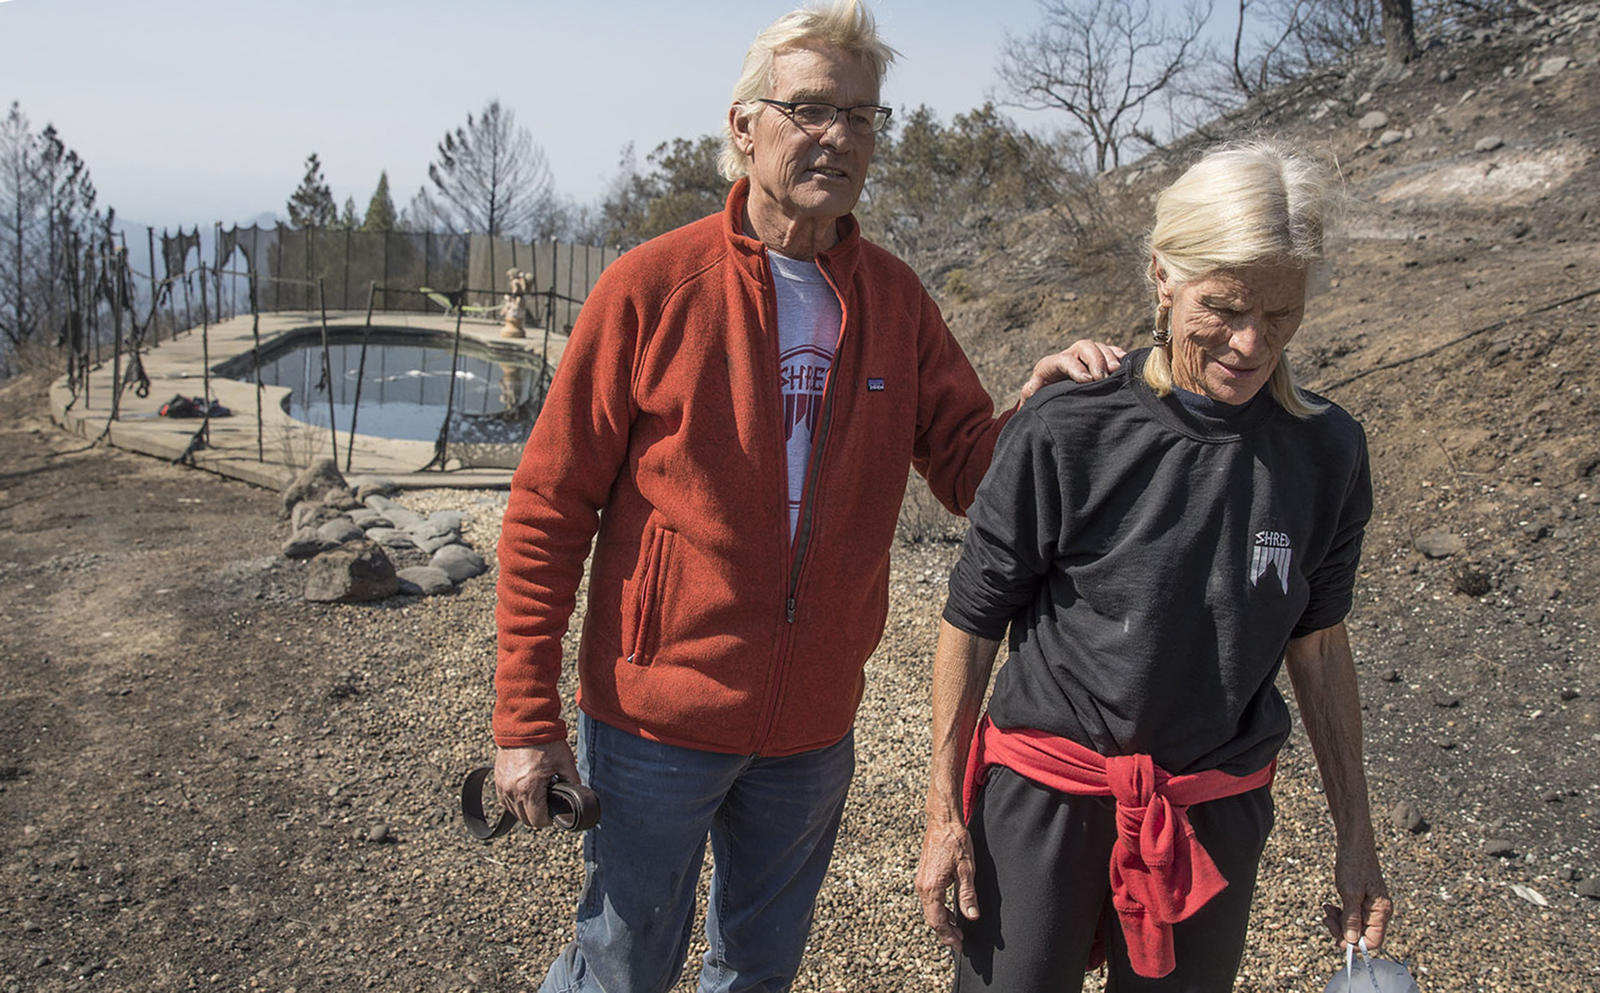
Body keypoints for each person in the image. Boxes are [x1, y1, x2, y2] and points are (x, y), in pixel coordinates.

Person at [491, 3, 1120, 991]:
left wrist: (1041, 407)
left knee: (758, 973)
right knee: (620, 967)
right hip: (656, 720)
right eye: (812, 109)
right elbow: (546, 511)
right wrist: (526, 720)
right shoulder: (650, 287)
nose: (840, 136)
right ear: (744, 127)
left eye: (863, 117)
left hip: (812, 733)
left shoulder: (895, 301)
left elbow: (970, 470)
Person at [915, 142, 1394, 992]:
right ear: (1163, 276)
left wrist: (1356, 836)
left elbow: (1318, 647)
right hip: (1045, 791)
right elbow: (972, 619)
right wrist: (943, 813)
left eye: (1281, 314)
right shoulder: (1071, 423)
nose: (1252, 344)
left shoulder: (1328, 451)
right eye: (1225, 307)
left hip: (1210, 806)